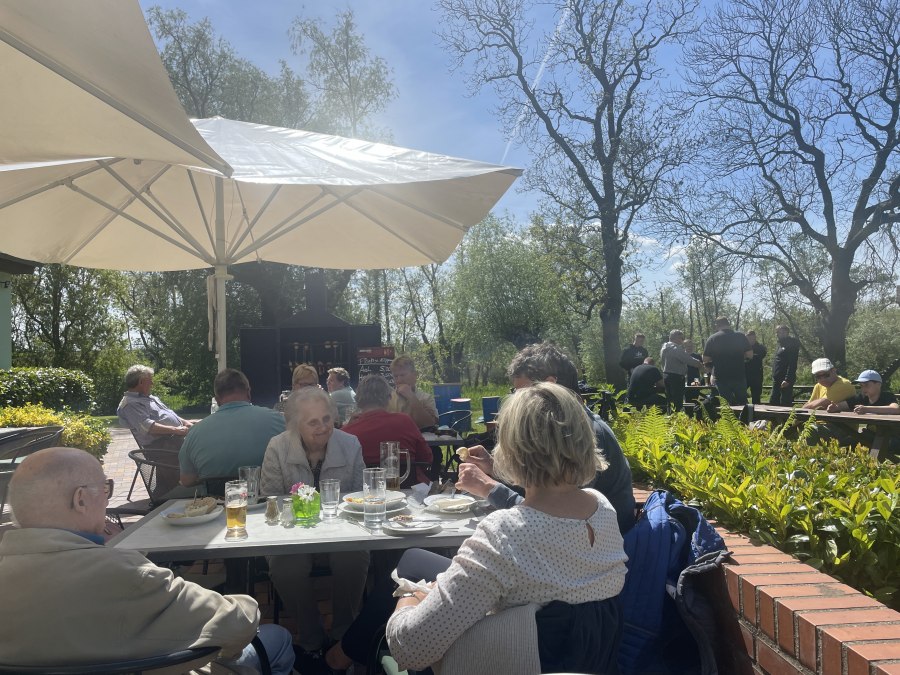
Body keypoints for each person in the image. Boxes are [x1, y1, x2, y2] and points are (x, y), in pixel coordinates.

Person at [327, 383, 627, 673]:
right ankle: (340, 657)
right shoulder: (601, 508)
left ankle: (335, 661)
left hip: (516, 660)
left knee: (405, 578)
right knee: (414, 558)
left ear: (512, 448)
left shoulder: (505, 533)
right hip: (581, 660)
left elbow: (412, 649)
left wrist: (409, 598)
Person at [0, 447, 294, 674]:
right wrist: (124, 558)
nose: (106, 499)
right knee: (276, 637)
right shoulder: (122, 573)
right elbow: (239, 622)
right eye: (105, 490)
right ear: (80, 500)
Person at [456, 341, 635, 536]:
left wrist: (489, 488)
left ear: (549, 385)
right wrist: (495, 468)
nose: (516, 401)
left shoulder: (587, 434)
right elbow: (545, 491)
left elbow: (557, 522)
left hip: (590, 553)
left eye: (520, 392)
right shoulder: (569, 428)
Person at [259, 387, 369, 665]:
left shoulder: (350, 443)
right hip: (292, 534)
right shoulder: (278, 446)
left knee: (354, 557)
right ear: (296, 425)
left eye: (326, 419)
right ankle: (311, 637)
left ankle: (344, 633)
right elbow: (269, 499)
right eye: (312, 422)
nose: (322, 427)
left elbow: (361, 495)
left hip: (342, 531)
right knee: (286, 568)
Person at [179, 369, 286, 487]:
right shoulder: (278, 419)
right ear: (248, 392)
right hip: (267, 500)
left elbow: (187, 480)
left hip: (215, 502)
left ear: (218, 399)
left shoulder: (194, 432)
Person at [341, 374, 433, 485]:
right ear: (389, 397)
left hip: (364, 493)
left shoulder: (347, 433)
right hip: (409, 488)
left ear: (358, 399)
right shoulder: (405, 421)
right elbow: (427, 458)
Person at [116, 364, 196, 450]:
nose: (152, 383)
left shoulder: (150, 398)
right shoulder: (130, 404)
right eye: (150, 380)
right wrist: (176, 430)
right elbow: (147, 426)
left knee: (205, 427)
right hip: (163, 447)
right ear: (141, 382)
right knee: (204, 444)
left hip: (176, 438)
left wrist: (185, 422)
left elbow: (168, 413)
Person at [702, 317, 753, 405]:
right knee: (743, 403)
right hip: (739, 375)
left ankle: (727, 419)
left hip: (721, 377)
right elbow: (750, 355)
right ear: (728, 324)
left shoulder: (712, 338)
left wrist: (713, 364)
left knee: (725, 405)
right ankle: (745, 418)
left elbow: (705, 359)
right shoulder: (740, 336)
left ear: (717, 325)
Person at [388, 355, 438, 429]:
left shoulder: (426, 398)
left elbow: (430, 424)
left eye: (402, 375)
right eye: (395, 376)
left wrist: (411, 397)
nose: (399, 380)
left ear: (415, 375)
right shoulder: (388, 399)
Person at [660, 330, 704, 412]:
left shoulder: (664, 348)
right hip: (676, 377)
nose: (682, 340)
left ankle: (670, 419)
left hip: (666, 375)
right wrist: (700, 365)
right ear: (676, 338)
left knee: (670, 401)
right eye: (681, 338)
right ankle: (678, 421)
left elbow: (662, 363)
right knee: (677, 402)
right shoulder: (675, 348)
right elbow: (688, 359)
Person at [826, 370, 899, 414]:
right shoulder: (861, 397)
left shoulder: (887, 396)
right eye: (861, 386)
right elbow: (842, 405)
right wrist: (835, 407)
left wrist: (866, 409)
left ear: (878, 385)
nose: (863, 389)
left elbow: (896, 409)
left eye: (866, 385)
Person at [769, 325, 801, 406]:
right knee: (773, 402)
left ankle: (786, 419)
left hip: (785, 379)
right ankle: (773, 419)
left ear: (787, 332)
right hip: (777, 378)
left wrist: (787, 379)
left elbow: (792, 363)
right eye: (779, 332)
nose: (781, 334)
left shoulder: (791, 344)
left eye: (783, 332)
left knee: (785, 404)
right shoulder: (780, 344)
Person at [745, 330, 767, 404]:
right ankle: (745, 411)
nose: (750, 340)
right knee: (740, 394)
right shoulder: (743, 347)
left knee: (756, 396)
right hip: (745, 375)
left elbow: (761, 354)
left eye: (752, 338)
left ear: (755, 337)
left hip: (756, 375)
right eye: (748, 338)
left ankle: (756, 414)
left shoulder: (761, 348)